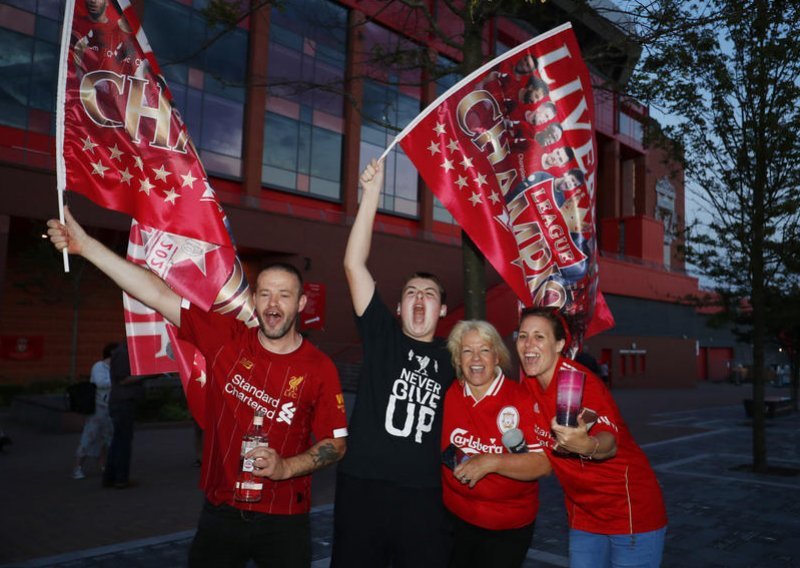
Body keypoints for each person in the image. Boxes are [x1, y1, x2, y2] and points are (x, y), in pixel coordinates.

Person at [47, 209, 348, 567]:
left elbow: (335, 444)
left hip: (286, 520)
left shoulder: (320, 367)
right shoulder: (226, 338)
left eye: (284, 295)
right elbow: (158, 293)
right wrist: (88, 248)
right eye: (264, 294)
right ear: (254, 300)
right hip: (220, 514)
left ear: (300, 304)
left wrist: (285, 467)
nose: (272, 304)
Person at [331, 158, 455, 567]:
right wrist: (371, 196)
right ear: (399, 307)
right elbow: (353, 265)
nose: (420, 299)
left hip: (423, 494)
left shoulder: (455, 357)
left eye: (430, 294)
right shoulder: (382, 336)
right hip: (362, 486)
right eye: (411, 294)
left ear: (442, 310)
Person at [516, 307, 667, 568]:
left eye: (539, 337)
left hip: (629, 513)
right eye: (522, 336)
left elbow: (608, 442)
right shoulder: (528, 384)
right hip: (583, 514)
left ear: (560, 344)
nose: (528, 344)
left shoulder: (577, 384)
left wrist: (588, 445)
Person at [442, 320, 551, 568]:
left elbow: (543, 464)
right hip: (454, 519)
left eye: (484, 350)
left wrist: (491, 462)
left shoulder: (521, 399)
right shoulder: (450, 394)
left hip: (506, 527)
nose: (476, 358)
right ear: (458, 360)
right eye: (467, 351)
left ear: (497, 357)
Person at [103, 340, 145, 489]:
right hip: (123, 402)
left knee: (118, 441)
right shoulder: (123, 353)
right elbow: (124, 379)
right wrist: (145, 374)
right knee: (123, 442)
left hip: (123, 402)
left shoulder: (123, 352)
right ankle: (120, 478)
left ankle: (111, 477)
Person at [72, 342, 116, 480]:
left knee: (107, 439)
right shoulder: (99, 367)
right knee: (89, 437)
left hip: (110, 408)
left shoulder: (115, 368)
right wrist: (118, 381)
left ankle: (103, 466)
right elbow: (100, 383)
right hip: (98, 408)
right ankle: (78, 467)